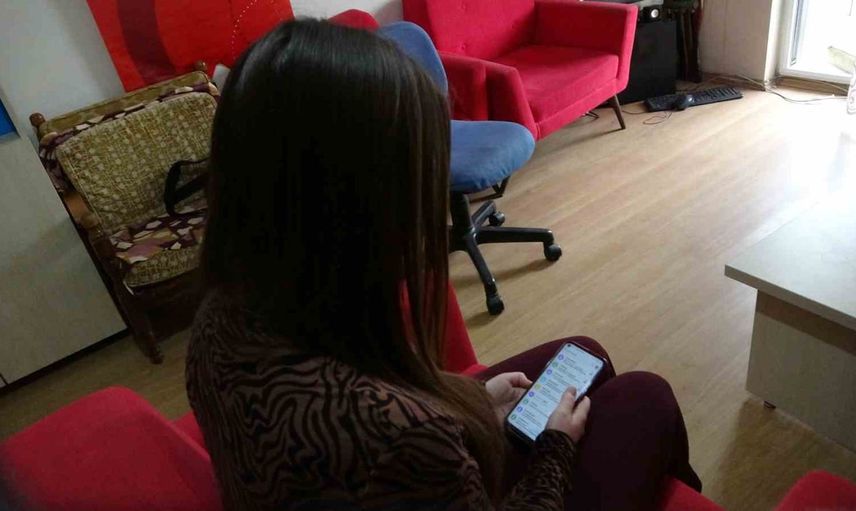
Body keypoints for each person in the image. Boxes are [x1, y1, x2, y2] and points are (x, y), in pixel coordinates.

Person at [186, 19, 701, 511]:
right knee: (646, 398)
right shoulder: (401, 439)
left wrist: (471, 403)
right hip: (425, 469)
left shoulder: (219, 321)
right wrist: (554, 448)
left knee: (584, 356)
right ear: (354, 204)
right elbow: (399, 436)